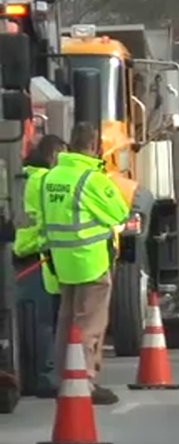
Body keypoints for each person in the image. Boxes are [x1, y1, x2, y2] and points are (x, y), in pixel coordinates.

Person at [43, 124, 129, 406]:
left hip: (62, 260)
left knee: (66, 321)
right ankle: (84, 382)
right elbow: (119, 212)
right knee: (89, 325)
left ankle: (62, 378)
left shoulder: (52, 177)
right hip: (90, 260)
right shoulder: (92, 179)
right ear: (94, 147)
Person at [14, 134, 67, 397]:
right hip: (37, 256)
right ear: (54, 155)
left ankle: (20, 374)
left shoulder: (17, 175)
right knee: (43, 321)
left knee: (20, 321)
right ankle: (44, 377)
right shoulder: (46, 181)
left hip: (13, 254)